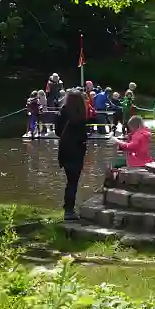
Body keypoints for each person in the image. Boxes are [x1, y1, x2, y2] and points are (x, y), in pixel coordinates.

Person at [53, 90, 89, 220]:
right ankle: (69, 210)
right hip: (76, 150)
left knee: (70, 181)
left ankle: (68, 207)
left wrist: (65, 136)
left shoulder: (64, 110)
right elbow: (83, 135)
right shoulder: (81, 114)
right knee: (73, 182)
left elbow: (57, 130)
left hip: (64, 148)